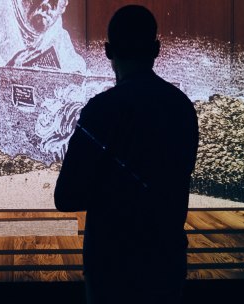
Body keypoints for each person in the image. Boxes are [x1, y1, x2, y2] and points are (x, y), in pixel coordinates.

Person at [53, 5, 199, 304]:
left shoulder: (100, 110)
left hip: (110, 267)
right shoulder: (182, 108)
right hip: (164, 264)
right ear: (156, 49)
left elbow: (66, 197)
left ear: (108, 51)